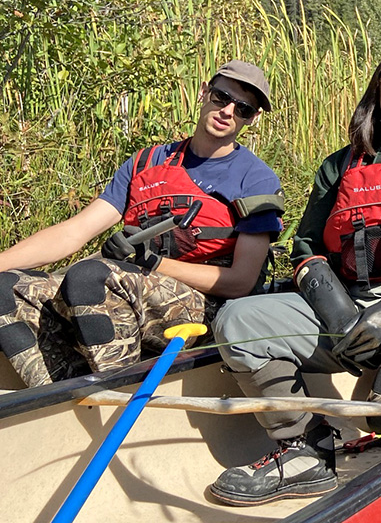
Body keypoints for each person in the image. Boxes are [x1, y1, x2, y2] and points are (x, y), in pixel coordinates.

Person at [208, 44, 381, 507]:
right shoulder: (338, 167)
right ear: (378, 85)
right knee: (239, 322)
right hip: (346, 309)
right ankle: (304, 452)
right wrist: (339, 312)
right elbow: (306, 247)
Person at [0, 60, 283, 387]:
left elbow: (240, 282)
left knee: (91, 277)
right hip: (132, 281)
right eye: (221, 97)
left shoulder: (257, 179)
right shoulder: (146, 162)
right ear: (204, 92)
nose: (228, 111)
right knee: (8, 288)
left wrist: (153, 263)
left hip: (207, 304)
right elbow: (74, 232)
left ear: (253, 118)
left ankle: (119, 390)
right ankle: (57, 396)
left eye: (243, 109)